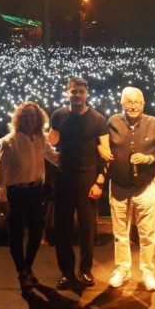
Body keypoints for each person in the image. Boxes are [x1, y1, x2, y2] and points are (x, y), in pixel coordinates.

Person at [48, 77, 110, 289]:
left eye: (81, 91)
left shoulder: (98, 119)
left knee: (87, 228)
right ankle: (66, 272)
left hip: (88, 177)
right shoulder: (58, 115)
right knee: (62, 227)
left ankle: (85, 270)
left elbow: (106, 154)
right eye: (74, 91)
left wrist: (99, 182)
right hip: (64, 176)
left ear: (87, 93)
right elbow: (51, 143)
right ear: (68, 92)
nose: (77, 95)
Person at [103, 86, 155, 291]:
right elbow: (103, 146)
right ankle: (123, 269)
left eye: (137, 102)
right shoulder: (112, 122)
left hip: (145, 187)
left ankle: (147, 270)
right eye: (129, 102)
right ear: (121, 103)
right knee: (120, 232)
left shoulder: (153, 123)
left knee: (147, 233)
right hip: (119, 187)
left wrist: (148, 159)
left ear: (143, 104)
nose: (133, 106)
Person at [0, 101, 58, 290]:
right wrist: (2, 199)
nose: (29, 119)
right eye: (25, 115)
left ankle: (28, 267)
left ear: (39, 118)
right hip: (15, 193)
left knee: (37, 232)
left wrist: (76, 159)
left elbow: (54, 157)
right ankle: (21, 271)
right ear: (19, 118)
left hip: (35, 191)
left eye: (32, 115)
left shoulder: (41, 138)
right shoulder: (9, 141)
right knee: (17, 234)